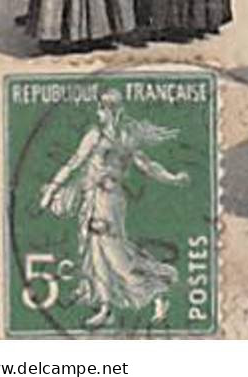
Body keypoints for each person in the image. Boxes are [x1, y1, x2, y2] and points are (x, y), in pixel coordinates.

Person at [36, 89, 188, 329]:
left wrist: (171, 178)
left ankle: (156, 292)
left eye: (101, 108)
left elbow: (143, 164)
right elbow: (78, 163)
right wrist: (52, 190)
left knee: (114, 253)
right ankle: (105, 307)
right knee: (96, 251)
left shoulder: (107, 135)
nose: (99, 112)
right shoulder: (111, 134)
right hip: (97, 198)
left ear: (106, 110)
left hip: (108, 201)